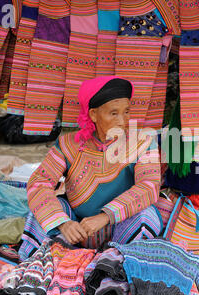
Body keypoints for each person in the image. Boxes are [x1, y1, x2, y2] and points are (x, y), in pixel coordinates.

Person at [18, 76, 163, 260]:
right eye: (113, 113)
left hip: (121, 228)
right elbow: (39, 182)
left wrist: (105, 216)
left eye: (126, 112)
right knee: (40, 212)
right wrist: (63, 223)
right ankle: (42, 264)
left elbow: (149, 186)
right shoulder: (68, 145)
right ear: (93, 114)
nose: (123, 121)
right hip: (77, 232)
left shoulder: (142, 142)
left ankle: (117, 265)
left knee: (146, 215)